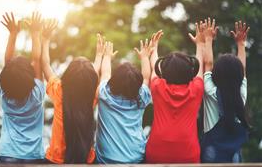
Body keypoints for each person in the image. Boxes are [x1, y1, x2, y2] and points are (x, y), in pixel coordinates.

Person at [41, 21, 103, 164]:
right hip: (86, 160)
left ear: (67, 76)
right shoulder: (91, 96)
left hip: (55, 161)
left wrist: (45, 40)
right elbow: (91, 77)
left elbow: (45, 65)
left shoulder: (59, 91)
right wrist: (99, 55)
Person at [145, 25, 204, 163]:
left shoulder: (157, 87)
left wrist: (154, 48)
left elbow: (154, 66)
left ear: (164, 72)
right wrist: (200, 45)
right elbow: (200, 68)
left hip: (156, 153)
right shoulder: (196, 89)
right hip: (188, 155)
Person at [0, 12, 45, 164]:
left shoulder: (5, 95)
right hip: (34, 157)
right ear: (30, 76)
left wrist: (13, 34)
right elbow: (37, 59)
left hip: (7, 156)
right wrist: (35, 33)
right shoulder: (37, 95)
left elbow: (7, 62)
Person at [95, 39, 152, 163]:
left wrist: (107, 56)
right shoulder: (142, 96)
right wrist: (145, 57)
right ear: (138, 83)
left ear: (114, 80)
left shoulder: (104, 94)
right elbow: (146, 77)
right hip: (135, 157)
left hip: (106, 160)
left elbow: (105, 73)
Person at [201, 19, 250, 162]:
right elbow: (243, 71)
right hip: (234, 159)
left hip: (211, 157)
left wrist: (208, 39)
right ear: (239, 76)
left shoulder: (210, 92)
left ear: (217, 74)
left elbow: (208, 64)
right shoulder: (241, 94)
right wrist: (241, 44)